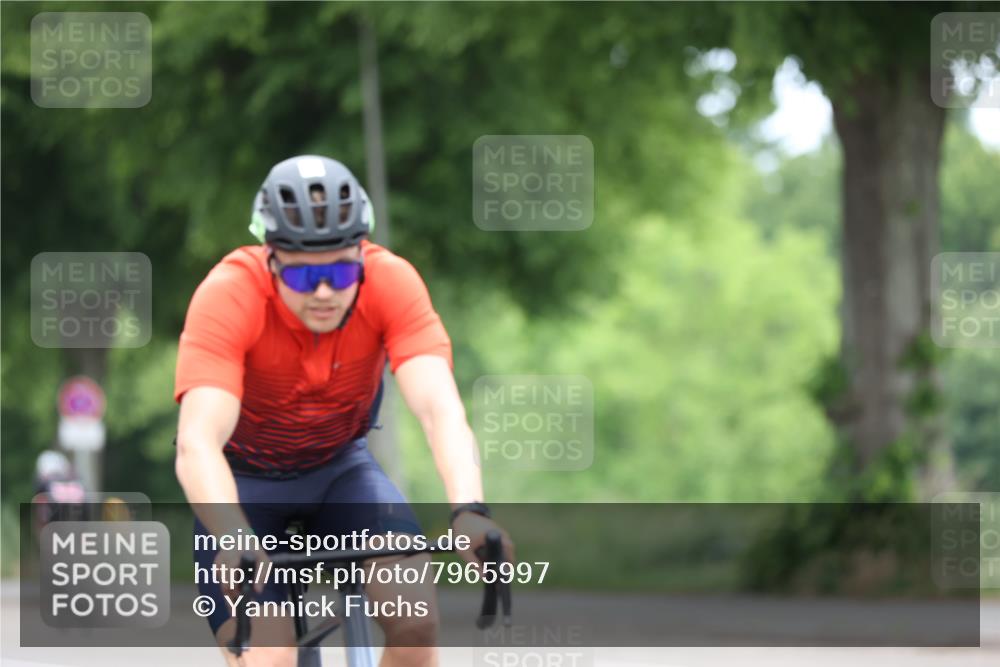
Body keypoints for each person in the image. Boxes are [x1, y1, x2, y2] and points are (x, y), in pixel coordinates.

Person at [174, 155, 512, 667]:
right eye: (306, 277)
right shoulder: (230, 294)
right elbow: (198, 442)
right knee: (268, 655)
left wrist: (469, 511)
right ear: (270, 259)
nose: (326, 292)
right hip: (242, 485)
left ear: (362, 253)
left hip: (339, 471)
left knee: (416, 622)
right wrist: (232, 534)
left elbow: (439, 409)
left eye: (341, 270)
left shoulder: (391, 281)